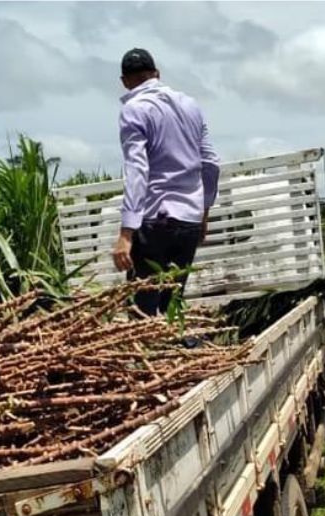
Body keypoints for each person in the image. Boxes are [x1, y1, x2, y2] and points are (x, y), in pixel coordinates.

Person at [110, 48, 220, 316]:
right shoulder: (190, 105)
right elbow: (211, 162)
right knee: (172, 306)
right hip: (189, 222)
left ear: (124, 81)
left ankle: (150, 355)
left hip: (155, 222)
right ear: (157, 74)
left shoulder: (134, 110)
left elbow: (137, 170)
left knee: (143, 311)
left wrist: (126, 234)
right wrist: (203, 212)